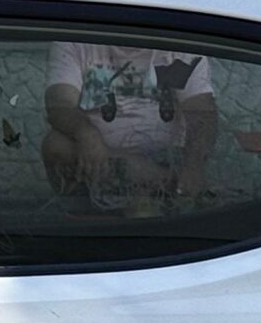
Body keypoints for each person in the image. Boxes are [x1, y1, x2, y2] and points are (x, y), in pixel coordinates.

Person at [42, 40, 218, 209]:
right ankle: (167, 183)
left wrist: (194, 166)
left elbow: (202, 112)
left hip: (166, 158)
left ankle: (170, 186)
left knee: (192, 156)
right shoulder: (76, 40)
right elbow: (59, 104)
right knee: (56, 145)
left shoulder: (180, 43)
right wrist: (86, 134)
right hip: (99, 159)